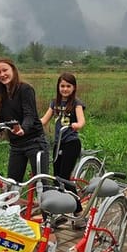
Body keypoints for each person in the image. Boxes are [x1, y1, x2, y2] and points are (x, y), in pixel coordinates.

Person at [0, 57, 49, 182]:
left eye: (5, 70)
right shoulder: (2, 94)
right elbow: (3, 119)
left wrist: (23, 128)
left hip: (34, 142)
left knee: (42, 184)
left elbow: (30, 115)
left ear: (13, 69)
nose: (2, 75)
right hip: (16, 145)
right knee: (12, 183)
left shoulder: (25, 89)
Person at [40, 72, 86, 213]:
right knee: (56, 179)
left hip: (71, 143)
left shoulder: (77, 103)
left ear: (74, 88)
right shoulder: (55, 103)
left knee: (64, 179)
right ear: (58, 87)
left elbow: (82, 120)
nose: (65, 89)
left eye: (68, 86)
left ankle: (78, 211)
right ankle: (62, 208)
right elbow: (44, 120)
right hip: (58, 143)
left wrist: (77, 125)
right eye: (62, 86)